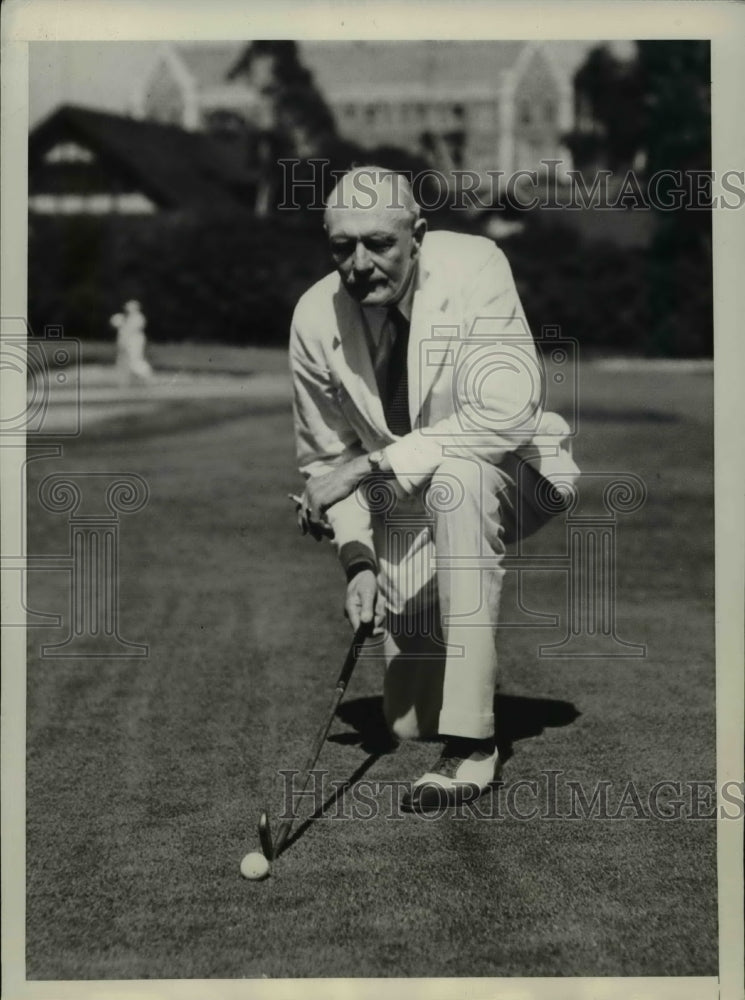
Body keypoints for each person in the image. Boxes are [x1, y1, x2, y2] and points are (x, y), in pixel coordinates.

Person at [290, 167, 579, 812]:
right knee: (406, 721)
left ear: (416, 235)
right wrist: (358, 564)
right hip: (409, 507)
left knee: (461, 476)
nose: (359, 264)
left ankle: (473, 746)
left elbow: (504, 413)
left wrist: (366, 470)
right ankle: (437, 696)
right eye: (342, 247)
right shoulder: (314, 317)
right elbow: (324, 460)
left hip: (518, 471)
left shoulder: (476, 265)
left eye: (379, 244)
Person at [111, 299, 153, 384]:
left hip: (134, 341)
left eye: (130, 306)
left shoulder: (138, 317)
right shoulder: (128, 318)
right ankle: (130, 380)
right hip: (129, 341)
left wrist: (121, 324)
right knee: (125, 361)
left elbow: (130, 331)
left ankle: (146, 375)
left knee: (134, 360)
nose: (127, 308)